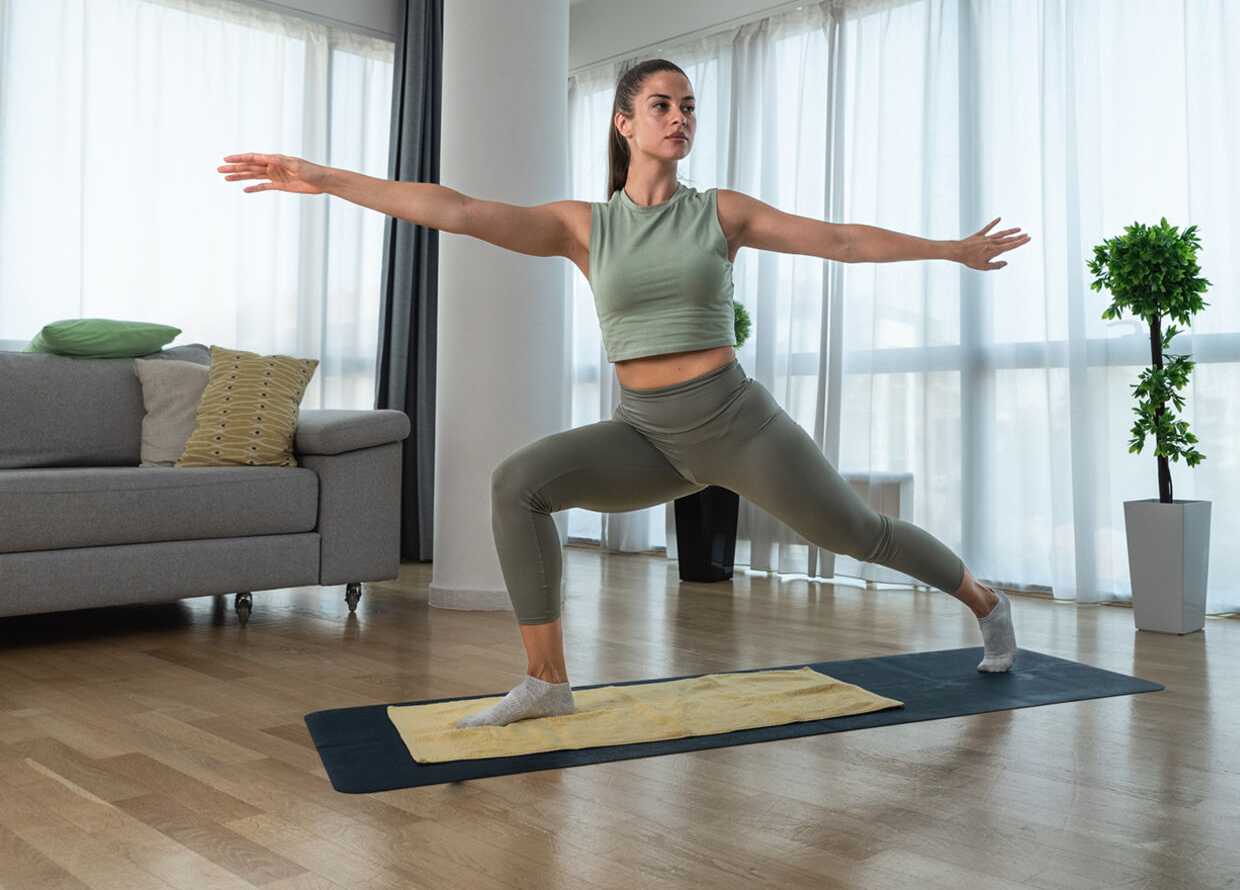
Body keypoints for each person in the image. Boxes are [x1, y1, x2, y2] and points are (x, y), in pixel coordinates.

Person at [219, 58, 1030, 728]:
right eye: (661, 105)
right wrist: (325, 178)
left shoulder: (721, 212)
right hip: (647, 434)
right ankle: (547, 680)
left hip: (737, 422)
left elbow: (842, 241)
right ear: (624, 123)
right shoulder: (585, 227)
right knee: (516, 484)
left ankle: (981, 597)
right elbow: (458, 210)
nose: (679, 118)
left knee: (859, 532)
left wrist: (951, 249)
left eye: (687, 107)